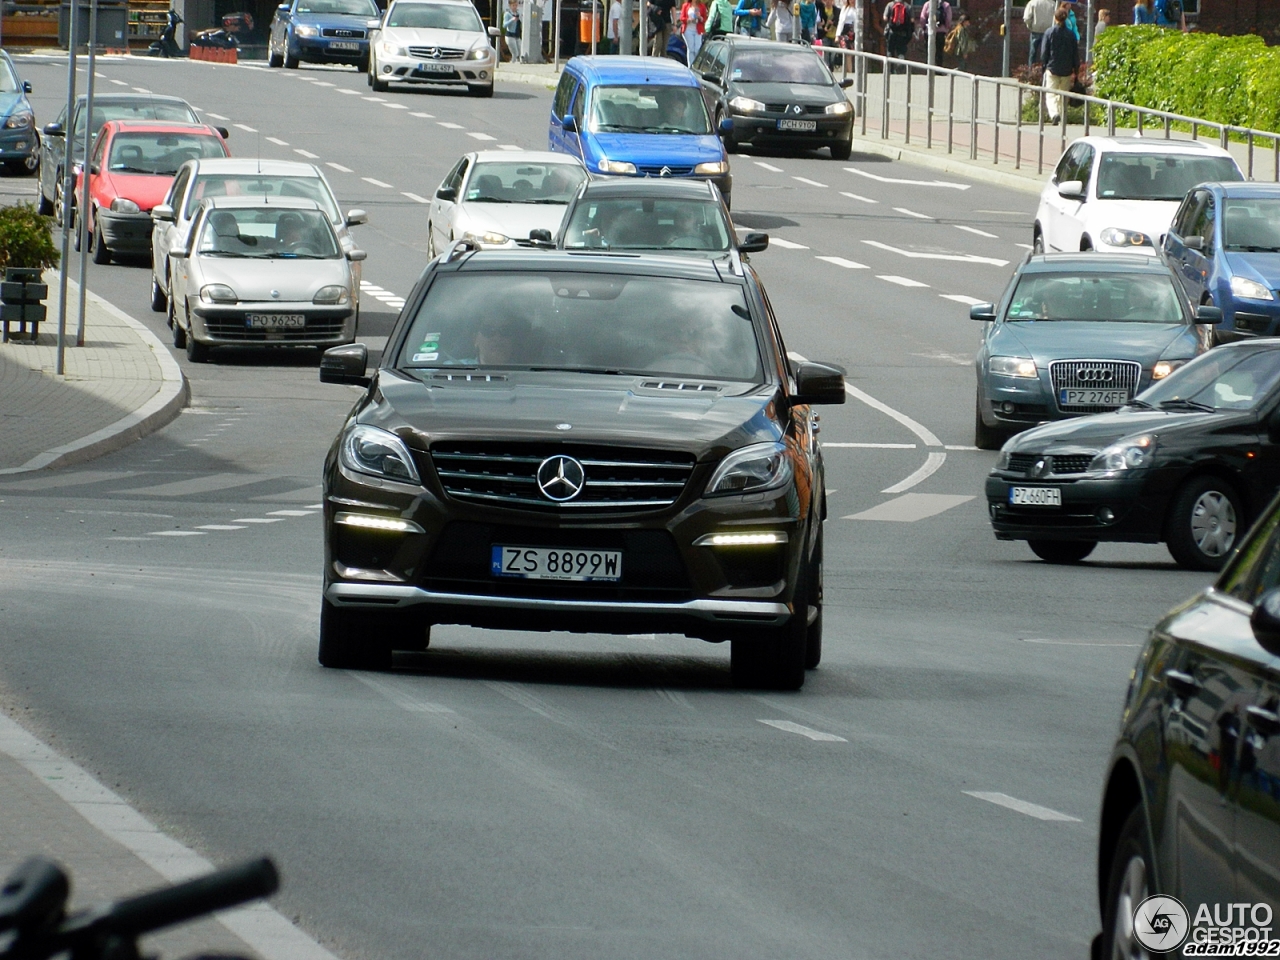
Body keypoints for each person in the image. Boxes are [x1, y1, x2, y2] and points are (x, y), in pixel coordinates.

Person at [1041, 3, 1078, 123]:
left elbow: (1044, 52)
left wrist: (1044, 66)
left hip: (1052, 68)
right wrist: (1075, 70)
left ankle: (1054, 114)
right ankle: (1062, 117)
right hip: (1066, 70)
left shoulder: (1049, 33)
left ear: (1055, 18)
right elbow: (1075, 54)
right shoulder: (1071, 35)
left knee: (1050, 94)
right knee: (1063, 95)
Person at [1022, 0, 1055, 66]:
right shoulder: (1053, 4)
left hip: (1035, 30)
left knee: (1033, 53)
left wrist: (1030, 27)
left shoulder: (1033, 2)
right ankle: (1045, 70)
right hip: (1049, 32)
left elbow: (1026, 18)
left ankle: (1031, 71)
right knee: (1047, 53)